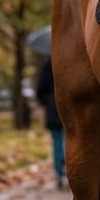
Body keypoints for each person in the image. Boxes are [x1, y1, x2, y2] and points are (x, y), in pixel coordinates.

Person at [37, 58, 66, 188]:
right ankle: (67, 171)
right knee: (68, 140)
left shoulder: (47, 65)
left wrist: (48, 102)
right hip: (68, 107)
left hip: (52, 109)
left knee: (57, 143)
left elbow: (40, 91)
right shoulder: (70, 60)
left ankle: (59, 173)